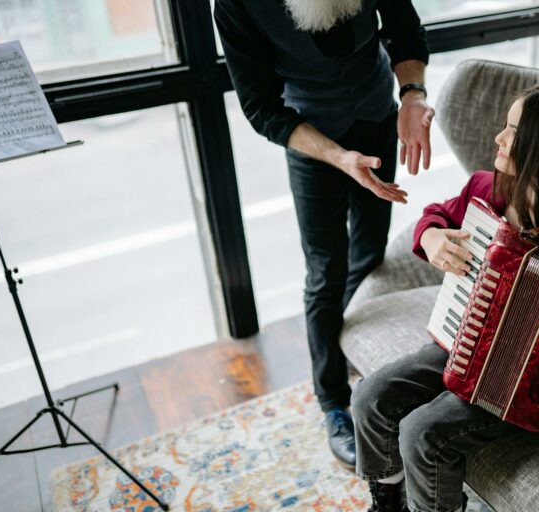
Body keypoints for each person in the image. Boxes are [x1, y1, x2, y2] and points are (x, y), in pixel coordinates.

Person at [351, 82, 539, 512]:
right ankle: (387, 501)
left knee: (422, 432)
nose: (499, 137)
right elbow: (435, 215)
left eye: (513, 130)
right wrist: (432, 235)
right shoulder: (486, 191)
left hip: (526, 383)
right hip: (463, 341)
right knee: (370, 395)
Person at [214, 0, 435, 470]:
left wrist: (412, 95)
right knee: (325, 270)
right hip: (312, 140)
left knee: (370, 252)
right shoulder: (236, 5)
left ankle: (351, 349)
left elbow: (406, 32)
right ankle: (333, 402)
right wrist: (337, 157)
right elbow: (261, 107)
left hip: (378, 119)